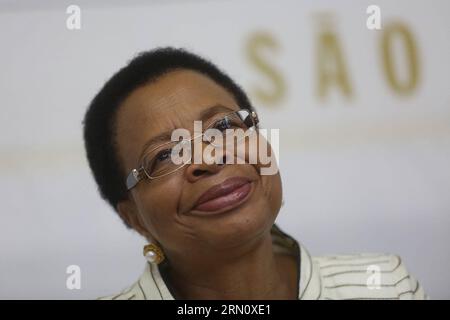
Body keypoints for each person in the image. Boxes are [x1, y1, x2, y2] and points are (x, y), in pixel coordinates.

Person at [83, 47, 427, 300]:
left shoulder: (384, 285)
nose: (210, 159)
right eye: (166, 154)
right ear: (133, 217)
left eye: (223, 125)